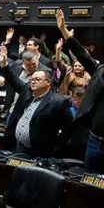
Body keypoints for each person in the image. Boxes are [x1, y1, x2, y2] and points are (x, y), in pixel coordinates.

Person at [0, 45, 73, 157]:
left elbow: (68, 129)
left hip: (40, 151)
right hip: (18, 145)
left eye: (37, 79)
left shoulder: (58, 102)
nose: (33, 82)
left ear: (48, 82)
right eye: (32, 79)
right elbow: (12, 78)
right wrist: (4, 64)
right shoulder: (26, 90)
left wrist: (56, 147)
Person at [56, 9, 104, 173]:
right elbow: (82, 55)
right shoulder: (101, 70)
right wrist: (64, 31)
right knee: (89, 182)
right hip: (95, 138)